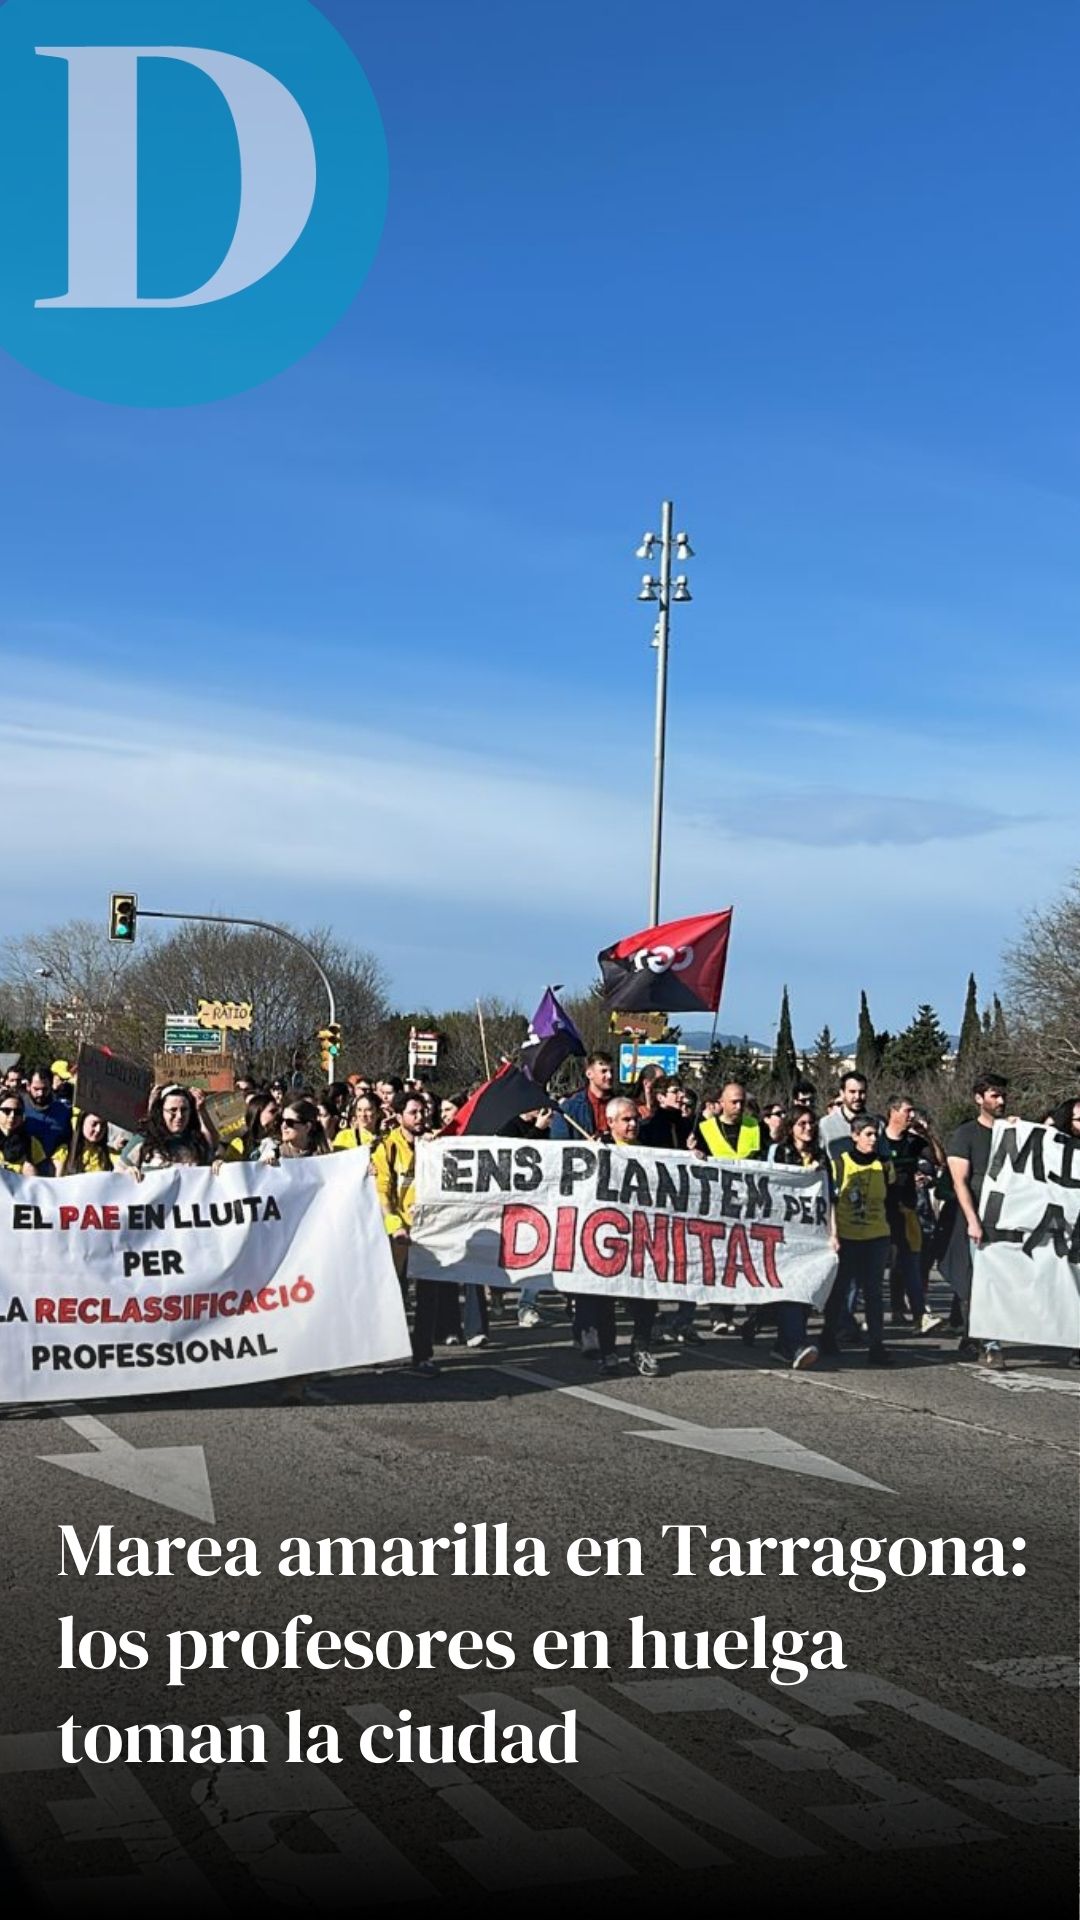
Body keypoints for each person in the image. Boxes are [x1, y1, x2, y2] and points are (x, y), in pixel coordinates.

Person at [758, 1109, 835, 1369]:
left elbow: (830, 1198)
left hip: (812, 1236)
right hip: (782, 1235)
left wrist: (834, 1233)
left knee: (805, 1289)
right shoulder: (778, 1153)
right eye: (801, 1123)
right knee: (791, 1289)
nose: (808, 1128)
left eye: (811, 1123)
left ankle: (783, 1344)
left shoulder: (823, 1157)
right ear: (791, 1127)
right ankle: (796, 1344)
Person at [371, 1089, 441, 1376]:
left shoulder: (436, 1146)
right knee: (394, 1295)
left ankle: (422, 1354)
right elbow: (382, 1193)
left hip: (431, 1233)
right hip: (399, 1234)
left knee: (428, 1296)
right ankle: (382, 1348)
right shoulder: (386, 1148)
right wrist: (394, 1225)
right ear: (399, 1117)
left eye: (422, 1111)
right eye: (413, 1112)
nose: (420, 1116)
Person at [944, 1074, 1010, 1367]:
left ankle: (974, 1336)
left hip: (1008, 1219)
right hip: (978, 1218)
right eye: (994, 1095)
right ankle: (990, 1342)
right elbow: (960, 1182)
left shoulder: (1011, 1133)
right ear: (979, 1098)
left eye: (1003, 1095)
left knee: (1000, 1282)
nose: (1001, 1101)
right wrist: (973, 1220)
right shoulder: (965, 1134)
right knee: (979, 1283)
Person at [822, 1115, 894, 1366]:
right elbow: (830, 1201)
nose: (873, 1140)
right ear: (855, 1136)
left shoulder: (883, 1165)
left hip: (877, 1236)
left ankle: (877, 1344)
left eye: (876, 1135)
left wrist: (893, 1238)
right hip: (848, 1238)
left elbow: (891, 1201)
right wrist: (833, 1234)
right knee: (840, 1290)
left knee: (873, 1292)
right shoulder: (839, 1165)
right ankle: (828, 1334)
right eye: (868, 1135)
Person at [880, 1095, 943, 1334]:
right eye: (907, 1111)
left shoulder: (913, 1141)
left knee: (909, 1263)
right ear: (893, 1112)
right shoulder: (878, 1141)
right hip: (881, 1212)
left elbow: (939, 1160)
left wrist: (927, 1135)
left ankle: (919, 1314)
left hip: (906, 1211)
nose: (911, 1115)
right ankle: (861, 1318)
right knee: (874, 1269)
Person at [127, 1086, 221, 1175]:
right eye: (173, 1110)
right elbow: (118, 1173)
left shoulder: (198, 1144)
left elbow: (212, 1151)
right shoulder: (143, 1140)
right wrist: (128, 1173)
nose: (179, 1116)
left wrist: (219, 1167)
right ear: (161, 1111)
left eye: (184, 1110)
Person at [552, 1052, 615, 1139]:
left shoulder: (621, 1105)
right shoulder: (569, 1108)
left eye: (611, 1071)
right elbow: (559, 1144)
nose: (609, 1076)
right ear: (589, 1074)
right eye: (603, 1071)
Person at [21, 1065, 73, 1160]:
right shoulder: (16, 1108)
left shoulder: (64, 1111)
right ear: (28, 1086)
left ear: (51, 1085)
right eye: (36, 1089)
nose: (40, 1094)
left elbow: (68, 1141)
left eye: (45, 1089)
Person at [818, 1072, 872, 1154]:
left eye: (862, 1092)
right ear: (842, 1093)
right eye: (852, 1092)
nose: (857, 1097)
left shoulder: (877, 1124)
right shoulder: (826, 1124)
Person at [0, 1093, 50, 1175]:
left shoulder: (31, 1142)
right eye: (7, 1111)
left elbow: (45, 1174)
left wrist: (33, 1173)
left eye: (17, 1112)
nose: (12, 1116)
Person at [54, 1111, 114, 1175]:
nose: (98, 1129)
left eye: (103, 1125)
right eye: (94, 1124)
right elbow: (57, 1181)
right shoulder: (65, 1151)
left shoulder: (110, 1153)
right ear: (82, 1123)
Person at [243, 1094, 282, 1165]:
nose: (277, 1115)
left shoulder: (283, 1141)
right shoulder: (242, 1142)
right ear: (257, 1113)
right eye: (272, 1111)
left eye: (278, 1111)